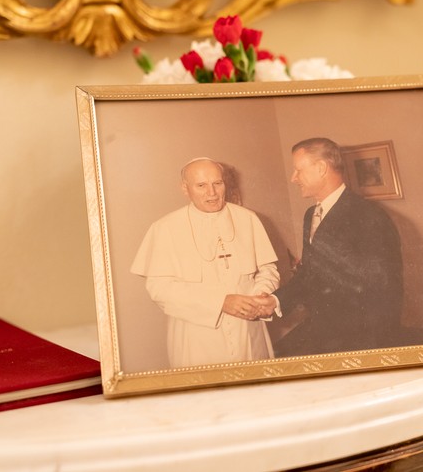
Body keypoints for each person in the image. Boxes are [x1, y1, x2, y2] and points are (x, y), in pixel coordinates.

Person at [131, 158, 279, 368]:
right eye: (201, 185)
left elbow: (268, 269)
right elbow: (159, 289)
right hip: (197, 337)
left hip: (249, 331)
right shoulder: (165, 228)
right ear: (185, 188)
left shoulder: (248, 219)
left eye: (217, 183)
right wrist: (221, 302)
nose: (212, 192)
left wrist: (261, 294)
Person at [272, 138, 404, 357]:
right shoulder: (310, 216)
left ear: (321, 168)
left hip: (360, 341)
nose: (293, 178)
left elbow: (384, 289)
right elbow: (310, 273)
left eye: (298, 170)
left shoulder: (369, 215)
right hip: (324, 335)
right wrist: (275, 300)